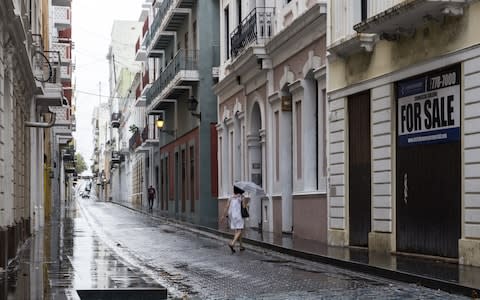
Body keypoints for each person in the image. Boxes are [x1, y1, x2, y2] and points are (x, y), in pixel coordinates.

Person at [221, 185, 247, 253]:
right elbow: (244, 207)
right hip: (239, 216)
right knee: (240, 230)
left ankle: (241, 246)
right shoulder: (241, 197)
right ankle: (232, 243)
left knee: (237, 230)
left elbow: (226, 207)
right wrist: (246, 202)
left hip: (232, 216)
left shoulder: (230, 197)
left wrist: (223, 216)